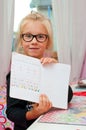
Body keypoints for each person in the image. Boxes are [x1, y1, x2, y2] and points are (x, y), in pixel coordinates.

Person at [6, 11, 73, 130]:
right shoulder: (16, 74)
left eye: (40, 36)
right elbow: (12, 112)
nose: (34, 41)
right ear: (21, 41)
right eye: (28, 36)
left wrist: (56, 73)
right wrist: (35, 112)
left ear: (48, 42)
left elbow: (67, 96)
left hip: (52, 126)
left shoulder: (51, 67)